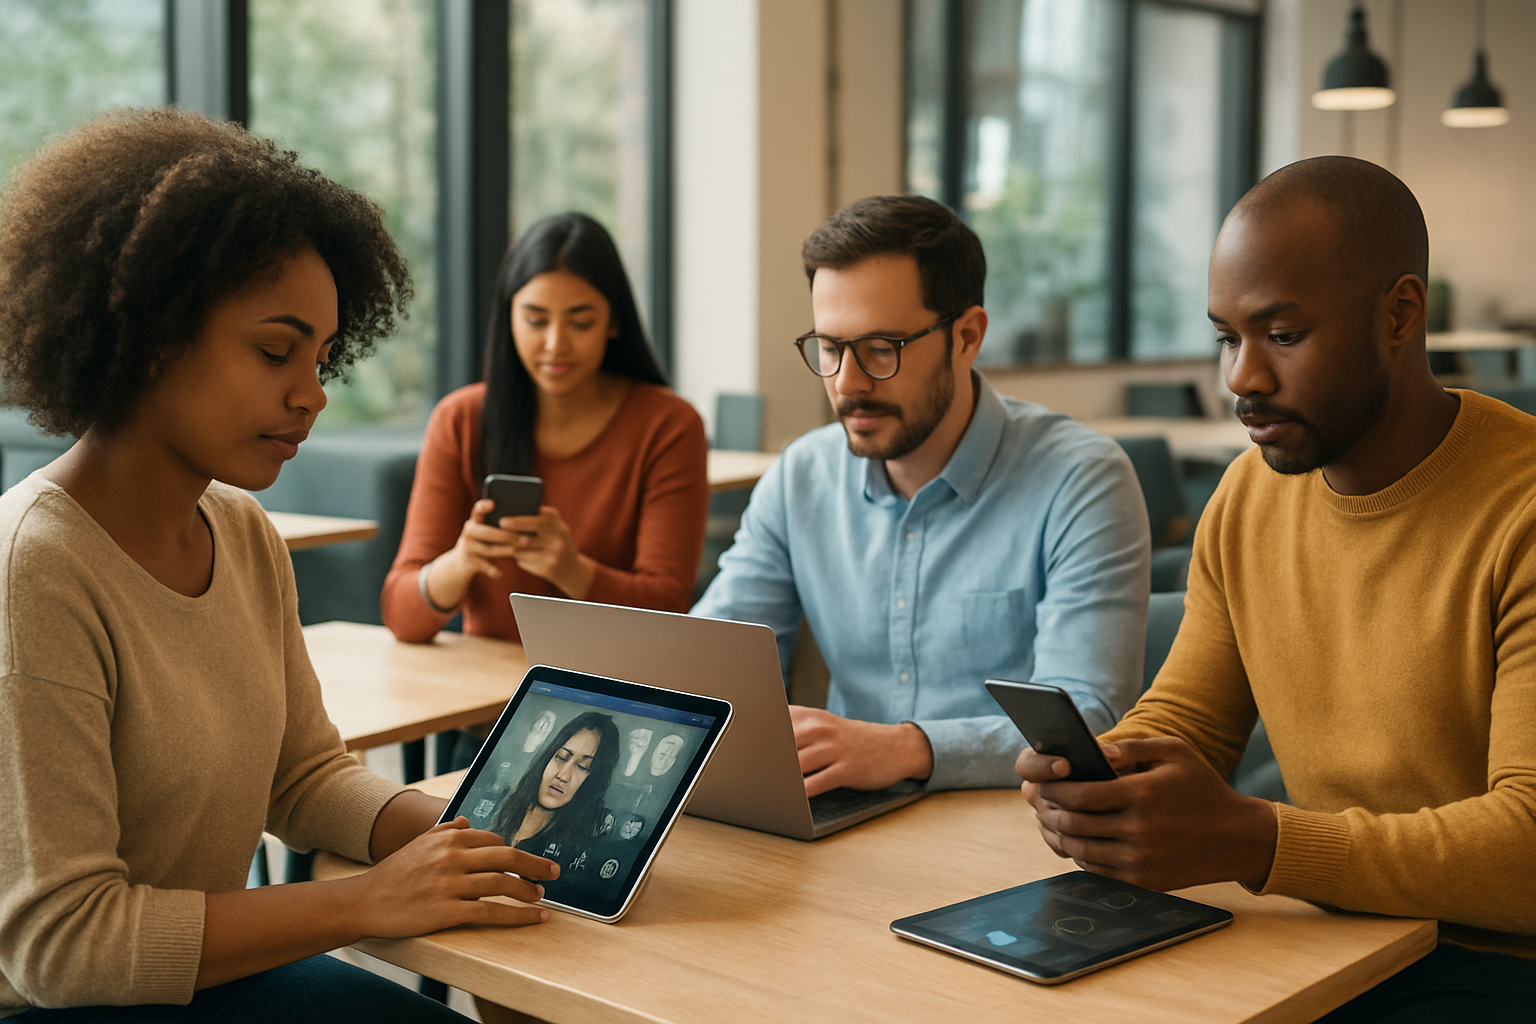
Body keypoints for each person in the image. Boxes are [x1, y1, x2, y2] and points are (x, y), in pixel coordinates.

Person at [0, 108, 561, 1021]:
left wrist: (473, 833)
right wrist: (369, 901)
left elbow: (302, 777)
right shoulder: (34, 569)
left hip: (201, 985)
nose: (313, 395)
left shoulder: (241, 531)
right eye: (275, 351)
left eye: (324, 358)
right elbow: (64, 945)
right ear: (151, 332)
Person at [1016, 156, 1536, 1020]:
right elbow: (1189, 720)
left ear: (1400, 314)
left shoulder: (1521, 511)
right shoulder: (1248, 496)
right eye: (1227, 337)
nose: (1242, 378)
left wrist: (1259, 841)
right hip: (1326, 937)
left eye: (1283, 336)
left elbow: (1526, 849)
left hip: (1496, 964)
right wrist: (1108, 779)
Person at [693, 194, 1151, 795]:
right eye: (830, 348)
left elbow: (1089, 715)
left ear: (967, 336)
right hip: (847, 814)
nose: (848, 383)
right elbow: (713, 664)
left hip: (1013, 822)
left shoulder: (1081, 480)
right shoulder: (801, 475)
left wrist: (910, 749)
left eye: (881, 349)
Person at [382, 212, 709, 644]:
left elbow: (668, 610)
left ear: (614, 321)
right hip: (487, 681)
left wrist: (573, 570)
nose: (556, 344)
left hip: (611, 679)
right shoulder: (461, 419)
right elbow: (401, 615)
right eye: (536, 320)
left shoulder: (669, 426)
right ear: (509, 317)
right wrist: (461, 561)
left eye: (580, 322)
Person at [488, 712, 621, 865]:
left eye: (583, 767)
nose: (563, 775)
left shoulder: (572, 851)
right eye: (561, 757)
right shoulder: (502, 808)